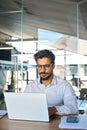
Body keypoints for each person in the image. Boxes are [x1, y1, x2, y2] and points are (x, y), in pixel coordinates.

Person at [24, 49, 78, 116]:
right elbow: (24, 106)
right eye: (39, 66)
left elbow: (73, 108)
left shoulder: (65, 86)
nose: (43, 70)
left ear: (53, 66)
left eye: (46, 66)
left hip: (56, 123)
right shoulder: (30, 87)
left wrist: (54, 109)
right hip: (35, 121)